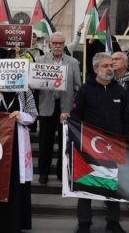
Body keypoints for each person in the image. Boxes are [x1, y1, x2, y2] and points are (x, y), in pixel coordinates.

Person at [61, 52, 127, 233]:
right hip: (89, 148)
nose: (110, 69)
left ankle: (113, 222)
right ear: (96, 68)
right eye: (105, 66)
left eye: (111, 65)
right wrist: (68, 118)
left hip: (114, 148)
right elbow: (76, 115)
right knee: (85, 187)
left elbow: (126, 118)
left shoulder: (120, 91)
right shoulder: (85, 90)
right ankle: (84, 223)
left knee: (114, 189)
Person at [0, 81, 38, 233]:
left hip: (17, 143)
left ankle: (15, 223)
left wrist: (20, 116)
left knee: (15, 182)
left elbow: (33, 116)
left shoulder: (25, 91)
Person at [35, 32, 82, 185]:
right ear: (49, 44)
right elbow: (34, 84)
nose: (57, 46)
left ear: (64, 45)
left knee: (65, 143)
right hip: (46, 106)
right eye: (55, 43)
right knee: (45, 142)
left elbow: (78, 86)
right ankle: (43, 172)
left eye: (60, 43)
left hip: (65, 107)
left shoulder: (73, 62)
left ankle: (62, 172)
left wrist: (72, 101)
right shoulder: (40, 60)